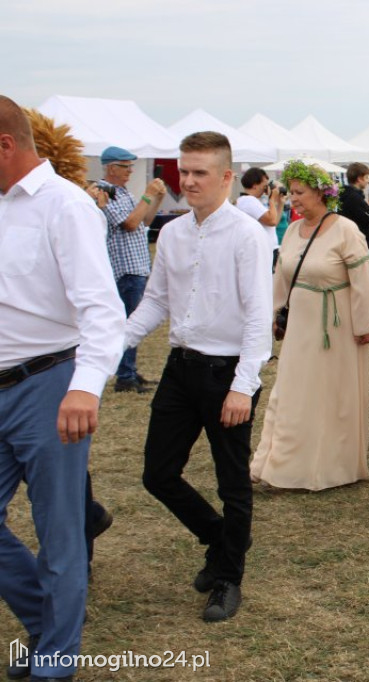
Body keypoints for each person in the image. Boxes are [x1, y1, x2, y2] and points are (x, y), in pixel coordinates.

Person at [0, 95, 125, 681]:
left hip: (49, 382)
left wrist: (86, 388)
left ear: (6, 145)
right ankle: (47, 629)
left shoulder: (65, 207)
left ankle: (54, 665)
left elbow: (102, 309)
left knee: (58, 532)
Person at [126, 131, 272, 622]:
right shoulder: (171, 232)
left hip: (226, 371)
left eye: (199, 173)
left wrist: (242, 386)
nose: (187, 181)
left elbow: (257, 317)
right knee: (158, 473)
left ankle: (228, 577)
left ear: (227, 177)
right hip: (180, 368)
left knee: (233, 483)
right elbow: (157, 301)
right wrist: (114, 346)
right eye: (183, 171)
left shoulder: (247, 235)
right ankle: (222, 538)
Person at [251, 161, 369, 492]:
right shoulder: (293, 230)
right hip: (300, 327)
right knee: (290, 392)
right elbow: (282, 275)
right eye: (290, 192)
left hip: (335, 327)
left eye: (300, 192)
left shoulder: (345, 230)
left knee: (328, 394)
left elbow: (363, 281)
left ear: (322, 193)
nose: (293, 198)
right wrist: (277, 314)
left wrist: (366, 324)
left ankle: (332, 465)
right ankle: (278, 462)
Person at [85, 145, 166, 394]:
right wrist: (146, 195)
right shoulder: (104, 192)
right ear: (111, 168)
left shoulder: (122, 192)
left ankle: (128, 370)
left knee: (132, 321)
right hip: (124, 268)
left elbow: (145, 221)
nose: (130, 171)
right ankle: (124, 375)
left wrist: (157, 198)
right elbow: (130, 224)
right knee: (128, 322)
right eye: (126, 167)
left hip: (136, 266)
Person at [236, 167, 285, 269]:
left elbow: (274, 222)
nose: (266, 188)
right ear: (254, 185)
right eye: (264, 185)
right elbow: (271, 220)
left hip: (267, 248)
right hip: (263, 250)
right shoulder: (248, 201)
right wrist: (272, 199)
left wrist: (280, 204)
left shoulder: (249, 201)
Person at [339, 161, 369, 248]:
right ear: (359, 179)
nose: (368, 181)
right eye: (366, 177)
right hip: (356, 244)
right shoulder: (354, 197)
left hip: (351, 242)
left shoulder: (347, 194)